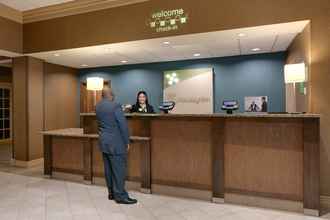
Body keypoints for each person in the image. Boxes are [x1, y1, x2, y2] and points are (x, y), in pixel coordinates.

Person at [95, 86, 137, 204]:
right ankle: (120, 196)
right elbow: (123, 125)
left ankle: (111, 193)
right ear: (111, 95)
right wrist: (127, 141)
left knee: (108, 169)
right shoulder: (116, 106)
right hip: (116, 143)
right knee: (119, 170)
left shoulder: (98, 106)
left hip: (104, 141)